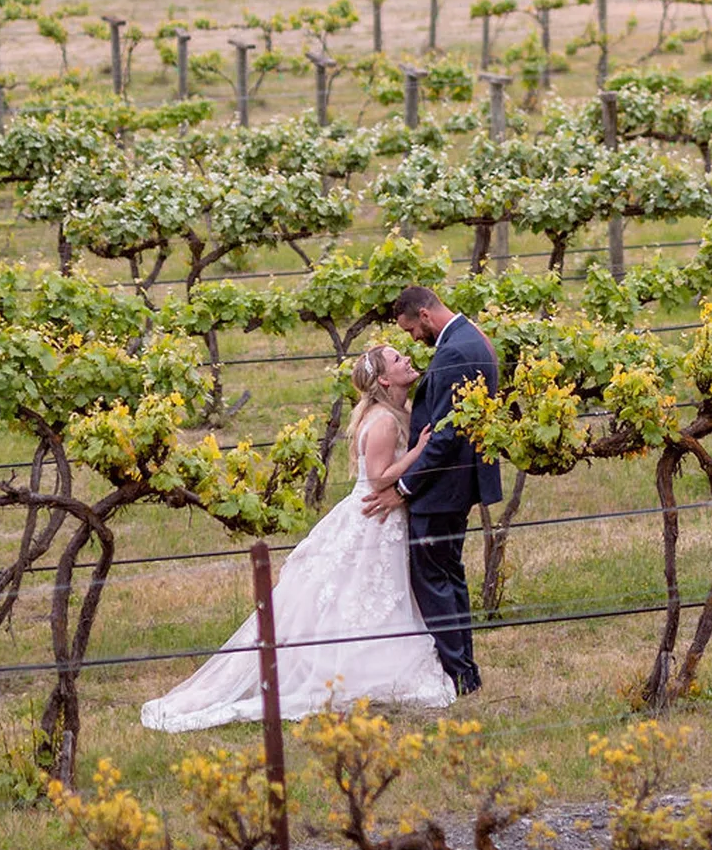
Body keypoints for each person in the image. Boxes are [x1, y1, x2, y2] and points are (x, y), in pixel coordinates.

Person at [139, 341, 455, 730]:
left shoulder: (394, 411)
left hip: (382, 516)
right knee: (360, 595)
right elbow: (377, 478)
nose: (406, 359)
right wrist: (420, 451)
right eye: (396, 359)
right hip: (374, 516)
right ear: (385, 380)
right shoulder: (386, 421)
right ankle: (351, 670)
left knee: (370, 595)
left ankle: (368, 662)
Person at [361, 282, 500, 695]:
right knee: (448, 580)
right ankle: (465, 673)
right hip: (452, 486)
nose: (413, 340)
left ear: (424, 315)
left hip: (441, 489)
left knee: (436, 586)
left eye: (410, 331)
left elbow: (445, 436)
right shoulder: (470, 336)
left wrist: (402, 488)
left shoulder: (455, 350)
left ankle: (459, 677)